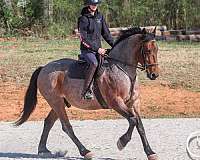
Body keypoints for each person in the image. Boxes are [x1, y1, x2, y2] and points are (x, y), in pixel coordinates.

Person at [78, 0, 114, 100]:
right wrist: (97, 49)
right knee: (94, 63)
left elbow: (106, 34)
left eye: (96, 4)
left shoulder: (100, 17)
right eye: (93, 4)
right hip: (87, 50)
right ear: (88, 5)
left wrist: (115, 45)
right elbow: (83, 39)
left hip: (99, 49)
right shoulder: (83, 19)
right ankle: (86, 90)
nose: (94, 6)